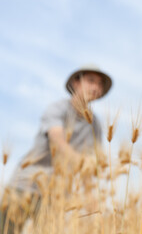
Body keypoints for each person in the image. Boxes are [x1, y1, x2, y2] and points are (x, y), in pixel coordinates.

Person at [0, 64, 112, 233]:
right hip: (25, 185)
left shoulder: (95, 124)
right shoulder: (57, 109)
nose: (96, 87)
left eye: (99, 84)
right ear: (76, 82)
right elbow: (57, 142)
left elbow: (89, 168)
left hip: (56, 195)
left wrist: (92, 204)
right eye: (90, 81)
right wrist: (83, 163)